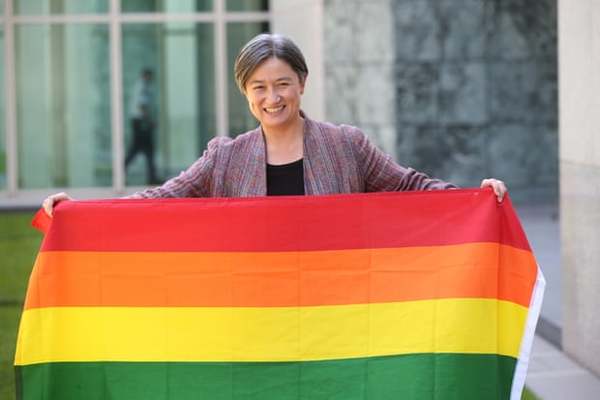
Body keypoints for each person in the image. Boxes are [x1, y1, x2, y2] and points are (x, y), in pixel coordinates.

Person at [43, 33, 506, 216]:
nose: (272, 98)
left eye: (282, 83)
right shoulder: (224, 155)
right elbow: (160, 200)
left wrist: (477, 195)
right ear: (245, 92)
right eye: (259, 87)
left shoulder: (347, 145)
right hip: (255, 307)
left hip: (334, 305)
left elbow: (410, 186)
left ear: (302, 82)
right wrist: (80, 211)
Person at [124, 68, 159, 185]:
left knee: (144, 149)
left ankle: (151, 176)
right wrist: (149, 121)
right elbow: (142, 105)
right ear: (146, 76)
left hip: (139, 122)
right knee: (141, 149)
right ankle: (151, 176)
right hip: (141, 122)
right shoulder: (143, 87)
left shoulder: (139, 86)